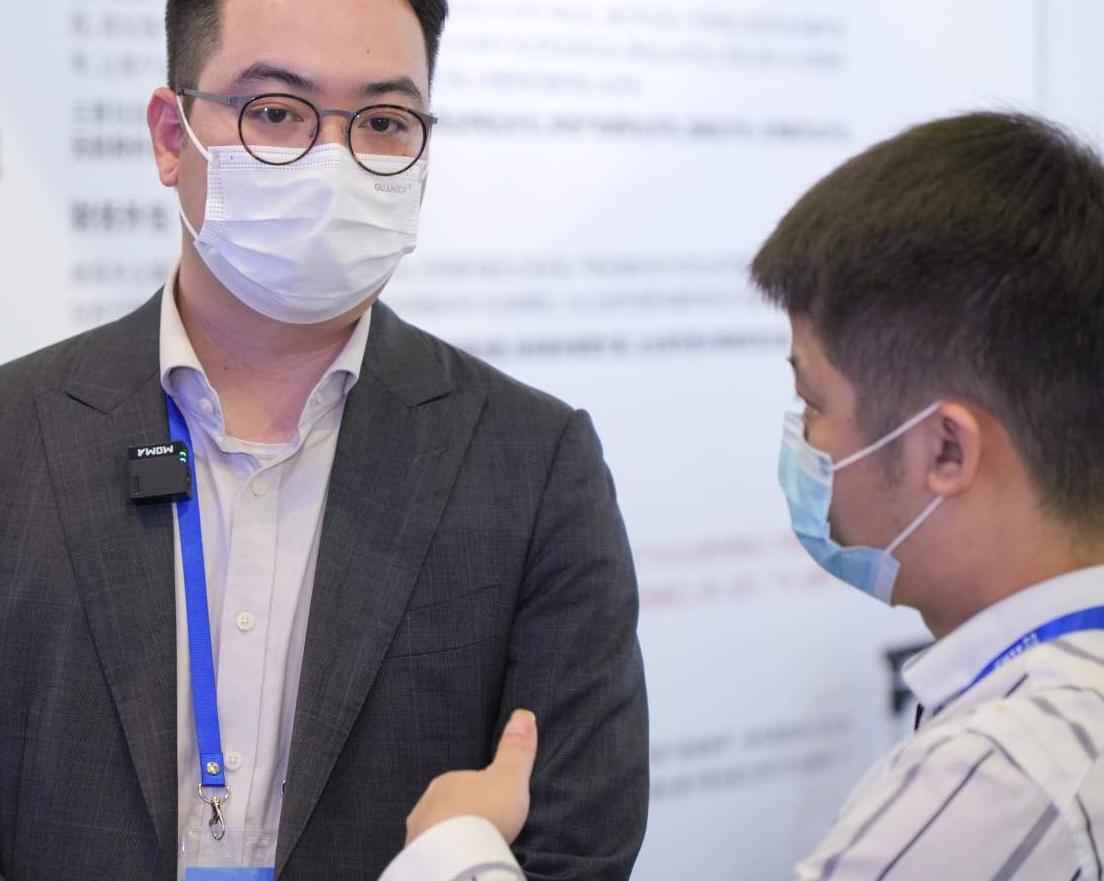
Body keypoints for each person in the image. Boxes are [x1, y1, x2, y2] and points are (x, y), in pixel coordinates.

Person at [0, 0, 648, 880]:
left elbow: (578, 845)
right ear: (171, 135)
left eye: (384, 121)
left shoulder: (532, 465)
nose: (332, 160)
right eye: (275, 112)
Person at [382, 112, 1104, 879]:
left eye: (814, 404)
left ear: (946, 450)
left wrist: (454, 846)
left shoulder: (1005, 775)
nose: (803, 440)